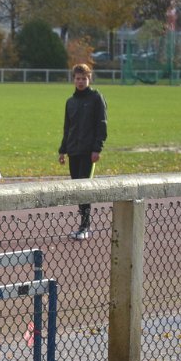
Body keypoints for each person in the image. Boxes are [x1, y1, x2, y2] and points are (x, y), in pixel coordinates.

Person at [58, 63, 107, 240]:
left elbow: (101, 124)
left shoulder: (96, 98)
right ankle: (82, 224)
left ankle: (85, 226)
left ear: (89, 79)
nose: (80, 82)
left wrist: (97, 148)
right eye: (78, 79)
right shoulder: (70, 102)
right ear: (73, 79)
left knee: (84, 188)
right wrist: (62, 150)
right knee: (76, 188)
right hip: (73, 151)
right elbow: (67, 128)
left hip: (88, 151)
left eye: (84, 79)